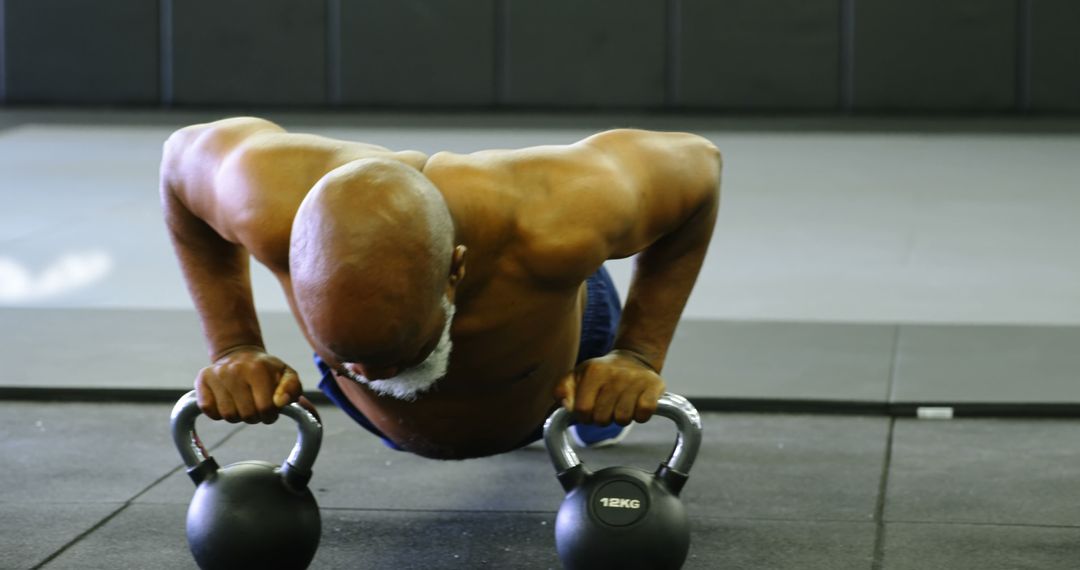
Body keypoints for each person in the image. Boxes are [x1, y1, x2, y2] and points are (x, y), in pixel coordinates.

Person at [161, 117, 721, 459]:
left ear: (458, 273)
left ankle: (592, 427)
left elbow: (700, 165)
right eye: (350, 358)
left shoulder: (560, 216)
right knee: (378, 365)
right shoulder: (265, 196)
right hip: (387, 409)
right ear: (292, 252)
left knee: (596, 406)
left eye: (388, 356)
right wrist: (235, 345)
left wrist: (637, 354)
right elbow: (179, 161)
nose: (372, 377)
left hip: (555, 376)